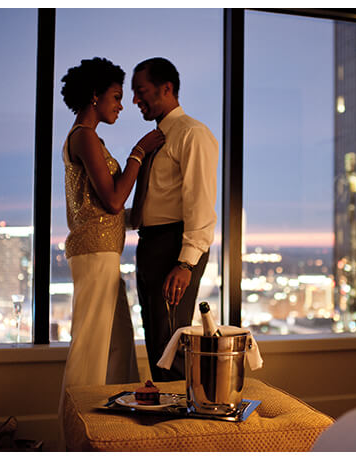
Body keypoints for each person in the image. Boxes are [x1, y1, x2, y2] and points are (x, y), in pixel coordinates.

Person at [59, 57, 165, 402]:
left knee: (118, 344)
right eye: (117, 96)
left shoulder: (92, 139)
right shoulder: (84, 136)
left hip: (102, 254)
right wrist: (138, 153)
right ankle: (75, 437)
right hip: (93, 255)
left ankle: (112, 428)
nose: (122, 105)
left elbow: (110, 208)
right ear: (95, 96)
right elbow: (113, 201)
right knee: (90, 348)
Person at [130, 57, 218, 381]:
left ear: (166, 88)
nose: (135, 100)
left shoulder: (192, 133)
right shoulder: (156, 140)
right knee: (156, 345)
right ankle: (165, 425)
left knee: (172, 348)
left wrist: (186, 264)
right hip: (151, 243)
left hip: (174, 246)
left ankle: (184, 429)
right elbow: (155, 202)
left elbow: (201, 203)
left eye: (141, 91)